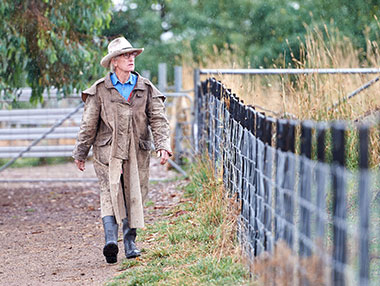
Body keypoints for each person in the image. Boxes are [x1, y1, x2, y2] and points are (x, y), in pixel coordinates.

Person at [72, 37, 172, 264]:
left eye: (132, 55)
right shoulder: (100, 90)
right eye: (125, 55)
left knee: (134, 193)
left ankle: (130, 243)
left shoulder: (145, 88)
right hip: (108, 152)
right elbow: (88, 124)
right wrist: (80, 152)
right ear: (113, 62)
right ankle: (110, 242)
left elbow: (158, 119)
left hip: (138, 151)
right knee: (110, 192)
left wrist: (163, 145)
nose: (131, 59)